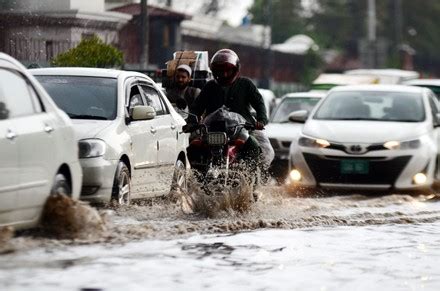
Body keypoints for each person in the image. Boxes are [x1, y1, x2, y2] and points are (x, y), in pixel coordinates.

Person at [187, 48, 274, 180]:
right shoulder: (210, 87)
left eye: (228, 70)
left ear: (235, 70)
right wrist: (191, 122)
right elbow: (196, 107)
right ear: (214, 71)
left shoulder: (246, 84)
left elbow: (259, 103)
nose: (225, 74)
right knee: (193, 147)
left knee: (256, 147)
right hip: (212, 130)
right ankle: (198, 179)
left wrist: (261, 120)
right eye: (221, 71)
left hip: (242, 128)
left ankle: (252, 181)